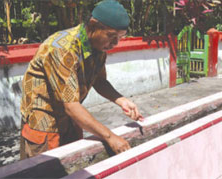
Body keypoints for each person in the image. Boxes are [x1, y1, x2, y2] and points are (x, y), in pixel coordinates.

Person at [19, 0, 143, 159]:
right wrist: (110, 137)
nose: (115, 43)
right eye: (111, 36)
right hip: (45, 122)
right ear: (92, 26)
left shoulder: (98, 46)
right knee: (46, 171)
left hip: (70, 121)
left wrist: (122, 100)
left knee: (76, 166)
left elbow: (99, 81)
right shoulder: (62, 49)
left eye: (120, 37)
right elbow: (71, 106)